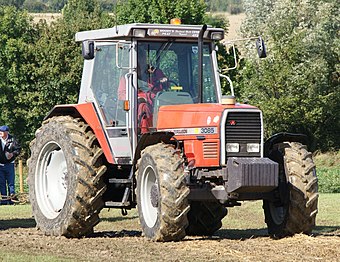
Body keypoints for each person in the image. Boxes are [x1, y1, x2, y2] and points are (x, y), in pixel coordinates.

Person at [0, 125, 21, 205]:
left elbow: (18, 149)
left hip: (10, 164)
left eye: (2, 131)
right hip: (0, 165)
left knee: (11, 183)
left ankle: (12, 200)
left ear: (6, 132)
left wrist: (12, 154)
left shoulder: (13, 139)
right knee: (1, 183)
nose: (0, 133)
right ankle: (5, 200)